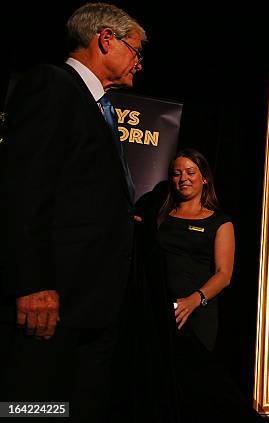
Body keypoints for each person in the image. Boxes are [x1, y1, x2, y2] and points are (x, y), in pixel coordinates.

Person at [0, 3, 145, 421]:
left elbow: (75, 190)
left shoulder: (100, 106)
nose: (139, 64)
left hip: (92, 303)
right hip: (52, 300)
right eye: (135, 51)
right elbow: (23, 189)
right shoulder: (52, 85)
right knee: (33, 406)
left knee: (81, 405)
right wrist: (34, 283)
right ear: (105, 39)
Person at [135, 148, 240, 422]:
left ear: (204, 178)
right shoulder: (159, 216)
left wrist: (194, 300)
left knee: (196, 391)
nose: (184, 178)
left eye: (191, 172)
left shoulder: (220, 222)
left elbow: (223, 274)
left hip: (197, 315)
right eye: (177, 173)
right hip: (160, 313)